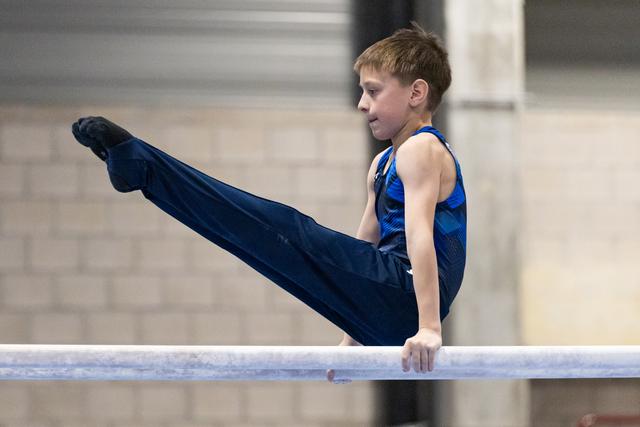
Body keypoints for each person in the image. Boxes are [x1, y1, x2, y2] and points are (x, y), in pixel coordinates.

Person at [71, 22, 466, 382]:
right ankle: (145, 174)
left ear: (416, 92)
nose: (362, 103)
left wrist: (429, 326)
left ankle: (142, 165)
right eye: (363, 91)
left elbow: (419, 237)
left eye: (373, 91)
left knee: (282, 229)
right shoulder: (383, 163)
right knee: (254, 241)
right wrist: (354, 341)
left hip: (408, 297)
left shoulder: (422, 149)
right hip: (387, 303)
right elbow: (364, 246)